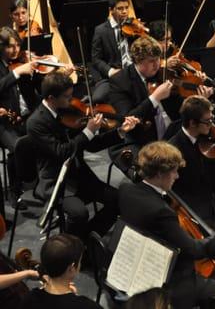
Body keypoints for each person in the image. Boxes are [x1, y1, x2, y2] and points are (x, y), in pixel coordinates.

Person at [26, 71, 139, 238]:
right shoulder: (36, 123)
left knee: (117, 200)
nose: (71, 100)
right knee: (79, 214)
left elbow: (91, 145)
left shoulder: (67, 111)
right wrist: (87, 131)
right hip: (57, 182)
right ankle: (72, 247)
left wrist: (120, 132)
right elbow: (61, 152)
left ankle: (86, 240)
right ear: (51, 98)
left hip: (80, 175)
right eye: (66, 97)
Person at [119, 141, 215, 309]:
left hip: (139, 264)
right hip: (172, 280)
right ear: (160, 173)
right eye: (174, 171)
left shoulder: (126, 190)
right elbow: (193, 250)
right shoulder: (162, 212)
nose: (177, 176)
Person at [108, 37, 180, 172]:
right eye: (151, 61)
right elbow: (128, 118)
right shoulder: (120, 81)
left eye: (158, 59)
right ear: (138, 61)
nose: (157, 64)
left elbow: (179, 108)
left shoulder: (163, 75)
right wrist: (154, 98)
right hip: (141, 138)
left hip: (171, 134)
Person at [168, 95, 215, 222]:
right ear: (192, 123)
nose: (212, 124)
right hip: (193, 208)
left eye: (212, 118)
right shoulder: (174, 150)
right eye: (207, 121)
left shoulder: (209, 138)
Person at [0, 27, 40, 209]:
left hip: (26, 115)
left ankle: (42, 184)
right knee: (17, 147)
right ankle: (14, 191)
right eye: (10, 47)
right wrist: (16, 73)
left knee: (51, 135)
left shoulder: (21, 60)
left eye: (17, 45)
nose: (15, 50)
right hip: (4, 121)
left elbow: (35, 89)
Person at [18, 233, 101, 309]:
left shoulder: (29, 298)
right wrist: (74, 298)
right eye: (80, 261)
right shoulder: (88, 306)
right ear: (71, 268)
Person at [90, 0, 133, 103]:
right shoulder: (101, 30)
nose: (125, 11)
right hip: (114, 76)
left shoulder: (133, 27)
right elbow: (96, 59)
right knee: (97, 98)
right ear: (111, 10)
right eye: (120, 8)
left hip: (133, 72)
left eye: (126, 8)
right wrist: (110, 71)